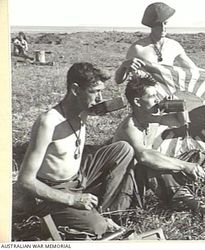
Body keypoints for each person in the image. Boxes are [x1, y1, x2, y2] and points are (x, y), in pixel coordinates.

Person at [17, 62, 136, 239]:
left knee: (123, 149)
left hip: (78, 178)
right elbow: (25, 181)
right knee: (98, 228)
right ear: (75, 90)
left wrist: (126, 74)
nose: (99, 98)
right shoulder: (48, 123)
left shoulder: (84, 109)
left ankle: (101, 211)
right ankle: (92, 221)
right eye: (94, 92)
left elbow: (112, 104)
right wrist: (72, 200)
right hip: (53, 189)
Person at [112, 76, 205, 215]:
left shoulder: (151, 118)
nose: (156, 99)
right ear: (137, 102)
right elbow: (144, 157)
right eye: (152, 96)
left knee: (198, 156)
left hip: (148, 167)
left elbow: (181, 122)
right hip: (130, 179)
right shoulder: (129, 127)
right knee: (155, 166)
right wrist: (184, 165)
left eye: (157, 95)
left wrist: (177, 106)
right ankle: (193, 204)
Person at [115, 2, 197, 84]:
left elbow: (193, 70)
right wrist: (124, 66)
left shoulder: (174, 46)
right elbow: (119, 80)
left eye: (165, 23)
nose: (163, 28)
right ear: (152, 26)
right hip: (146, 94)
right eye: (158, 25)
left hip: (168, 93)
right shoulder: (138, 48)